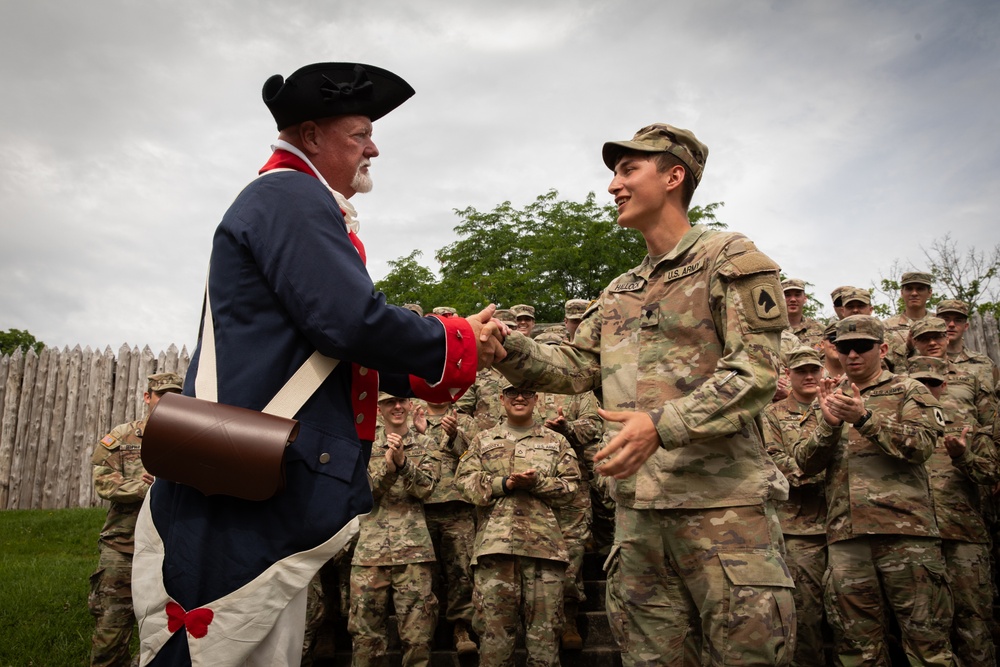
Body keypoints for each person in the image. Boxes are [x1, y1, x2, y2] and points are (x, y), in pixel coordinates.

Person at [132, 62, 501, 666]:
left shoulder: (290, 197)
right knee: (216, 647)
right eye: (359, 134)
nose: (373, 147)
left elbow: (333, 352)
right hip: (251, 481)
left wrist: (450, 355)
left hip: (258, 471)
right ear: (310, 136)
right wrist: (455, 338)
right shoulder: (291, 195)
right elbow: (349, 322)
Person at [494, 123, 795, 665]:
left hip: (722, 514)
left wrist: (662, 423)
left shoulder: (729, 259)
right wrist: (502, 349)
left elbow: (756, 370)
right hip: (638, 522)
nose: (614, 185)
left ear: (674, 175)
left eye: (629, 169)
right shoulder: (620, 291)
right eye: (614, 173)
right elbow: (575, 366)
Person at [793, 315, 953, 665]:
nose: (853, 355)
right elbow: (804, 463)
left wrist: (866, 419)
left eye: (862, 347)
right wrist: (830, 426)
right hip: (847, 538)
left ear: (881, 349)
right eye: (845, 348)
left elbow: (923, 446)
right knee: (857, 648)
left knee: (928, 644)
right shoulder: (830, 398)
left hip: (907, 534)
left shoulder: (910, 389)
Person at [455, 380, 581, 667]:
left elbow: (572, 487)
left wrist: (538, 483)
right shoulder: (483, 440)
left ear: (536, 399)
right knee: (494, 642)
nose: (519, 397)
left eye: (526, 393)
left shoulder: (556, 441)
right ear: (502, 398)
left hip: (544, 552)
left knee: (545, 642)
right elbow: (463, 482)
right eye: (513, 392)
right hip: (495, 552)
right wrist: (505, 483)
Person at [906, 354, 999, 666]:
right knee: (925, 627)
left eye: (932, 383)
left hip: (963, 536)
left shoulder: (967, 427)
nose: (925, 389)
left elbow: (990, 474)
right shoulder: (897, 429)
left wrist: (963, 457)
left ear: (943, 386)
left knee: (974, 622)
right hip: (916, 541)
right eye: (918, 383)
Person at [89, 372, 183, 667]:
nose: (170, 402)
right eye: (162, 396)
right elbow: (104, 482)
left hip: (170, 549)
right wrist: (147, 487)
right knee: (111, 626)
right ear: (147, 398)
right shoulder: (123, 436)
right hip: (124, 546)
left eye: (176, 397)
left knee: (165, 628)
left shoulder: (190, 439)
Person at [349, 393, 439, 667]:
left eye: (401, 401)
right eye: (389, 402)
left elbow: (427, 489)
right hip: (370, 554)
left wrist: (403, 464)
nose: (397, 407)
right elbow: (362, 494)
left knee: (418, 638)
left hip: (413, 554)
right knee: (366, 639)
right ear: (379, 408)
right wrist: (388, 471)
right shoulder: (362, 446)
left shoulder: (426, 443)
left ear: (411, 405)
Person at [761, 348, 829, 666]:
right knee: (807, 615)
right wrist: (817, 472)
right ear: (788, 374)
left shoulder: (834, 410)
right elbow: (775, 461)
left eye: (814, 369)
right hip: (799, 528)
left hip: (843, 524)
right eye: (801, 370)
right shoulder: (771, 415)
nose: (809, 376)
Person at [419, 399, 478, 655]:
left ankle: (461, 628)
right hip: (420, 508)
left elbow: (476, 457)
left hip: (457, 507)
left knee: (462, 571)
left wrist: (455, 434)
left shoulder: (465, 420)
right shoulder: (412, 415)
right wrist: (417, 435)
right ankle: (421, 634)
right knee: (422, 577)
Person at [937, 299, 1000, 391]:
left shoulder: (985, 364)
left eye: (958, 320)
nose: (951, 324)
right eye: (946, 319)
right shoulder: (923, 362)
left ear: (966, 326)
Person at [782, 279, 825, 351]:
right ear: (780, 298)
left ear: (805, 298)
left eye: (797, 295)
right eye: (787, 295)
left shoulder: (820, 330)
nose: (793, 299)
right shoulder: (772, 330)